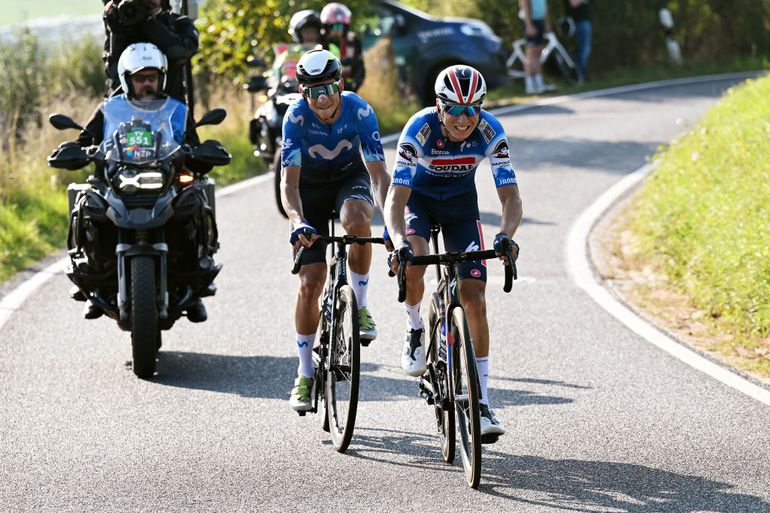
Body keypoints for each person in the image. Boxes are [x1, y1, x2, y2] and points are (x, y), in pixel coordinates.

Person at [384, 65, 522, 437]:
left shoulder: (491, 131)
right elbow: (395, 199)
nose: (464, 119)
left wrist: (506, 235)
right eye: (455, 110)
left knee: (474, 297)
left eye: (472, 110)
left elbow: (510, 197)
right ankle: (415, 327)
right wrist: (398, 240)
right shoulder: (419, 130)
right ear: (439, 106)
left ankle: (482, 403)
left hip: (462, 207)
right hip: (419, 203)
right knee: (414, 262)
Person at [281, 49, 390, 412]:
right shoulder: (295, 118)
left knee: (358, 221)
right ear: (302, 93)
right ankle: (305, 372)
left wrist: (391, 222)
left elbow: (378, 174)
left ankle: (359, 304)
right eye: (313, 92)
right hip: (308, 190)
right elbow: (289, 185)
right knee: (310, 282)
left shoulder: (359, 110)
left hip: (348, 178)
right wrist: (298, 221)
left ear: (340, 83)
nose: (322, 99)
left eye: (328, 88)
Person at [75, 42, 211, 322]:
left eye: (151, 77)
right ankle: (95, 279)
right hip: (118, 180)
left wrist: (200, 153)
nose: (147, 83)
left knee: (195, 197)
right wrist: (80, 150)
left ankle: (196, 283)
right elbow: (84, 141)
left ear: (161, 77)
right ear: (127, 79)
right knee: (88, 203)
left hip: (167, 180)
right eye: (140, 78)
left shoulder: (177, 109)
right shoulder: (109, 109)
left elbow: (194, 144)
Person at [103, 0, 199, 104]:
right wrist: (116, 29)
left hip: (170, 111)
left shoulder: (179, 23)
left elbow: (179, 53)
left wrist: (148, 22)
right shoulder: (123, 24)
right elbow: (114, 71)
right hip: (126, 112)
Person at [320, 3, 365, 92]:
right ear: (326, 27)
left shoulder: (353, 41)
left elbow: (360, 68)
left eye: (340, 26)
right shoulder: (321, 43)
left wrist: (354, 84)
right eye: (333, 26)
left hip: (349, 89)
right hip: (326, 89)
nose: (337, 30)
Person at [519, 0, 553, 94]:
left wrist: (546, 23)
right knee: (531, 53)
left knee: (538, 52)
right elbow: (525, 3)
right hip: (531, 21)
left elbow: (543, 6)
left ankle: (539, 83)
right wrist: (529, 25)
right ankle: (530, 85)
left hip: (539, 20)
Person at [564, 0, 591, 83]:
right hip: (575, 23)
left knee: (585, 49)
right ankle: (579, 75)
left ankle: (580, 74)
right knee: (582, 49)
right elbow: (573, 3)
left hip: (585, 21)